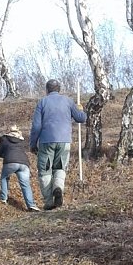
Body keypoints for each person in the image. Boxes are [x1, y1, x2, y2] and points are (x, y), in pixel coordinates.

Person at [28, 79, 87, 210]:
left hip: (46, 141)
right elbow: (81, 118)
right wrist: (80, 109)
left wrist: (33, 143)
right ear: (59, 89)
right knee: (60, 167)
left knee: (45, 171)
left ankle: (49, 202)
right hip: (65, 140)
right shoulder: (68, 101)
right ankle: (58, 187)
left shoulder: (42, 102)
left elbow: (36, 126)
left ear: (47, 90)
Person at [0, 125, 41, 212]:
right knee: (25, 184)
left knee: (4, 178)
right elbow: (16, 151)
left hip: (10, 162)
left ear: (9, 131)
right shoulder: (21, 140)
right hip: (24, 163)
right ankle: (31, 205)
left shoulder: (4, 139)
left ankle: (3, 198)